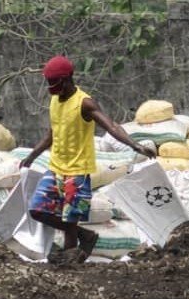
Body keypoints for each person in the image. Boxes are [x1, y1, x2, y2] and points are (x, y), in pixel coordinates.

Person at [20, 55, 156, 262]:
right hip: (56, 167)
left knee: (70, 219)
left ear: (66, 79)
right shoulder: (55, 101)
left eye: (52, 83)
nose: (49, 88)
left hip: (78, 172)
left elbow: (111, 126)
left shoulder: (84, 103)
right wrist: (32, 155)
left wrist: (135, 145)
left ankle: (70, 262)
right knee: (37, 210)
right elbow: (52, 133)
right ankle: (87, 235)